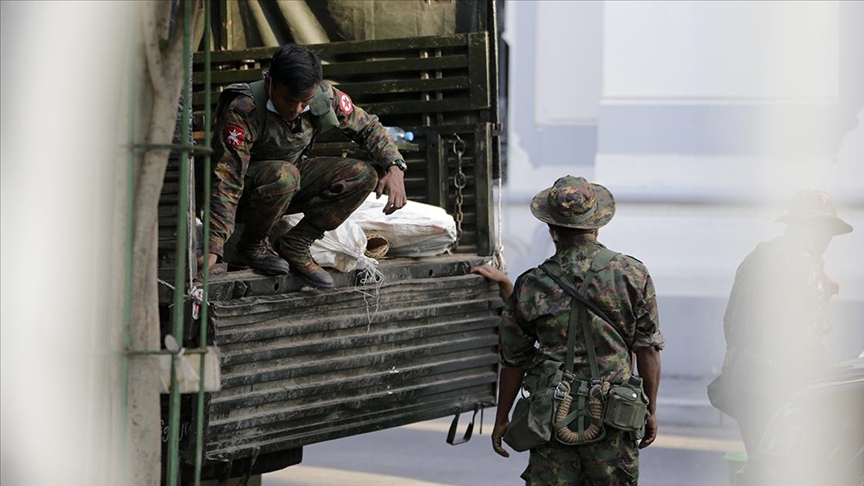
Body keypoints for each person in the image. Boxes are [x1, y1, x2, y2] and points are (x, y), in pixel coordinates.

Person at [488, 175, 665, 485]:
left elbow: (513, 360)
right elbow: (647, 349)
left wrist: (502, 418)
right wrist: (650, 409)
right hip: (615, 418)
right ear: (597, 224)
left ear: (550, 228)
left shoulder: (532, 283)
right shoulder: (632, 274)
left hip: (552, 420)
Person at [204, 43, 409, 287]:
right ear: (270, 83)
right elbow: (227, 179)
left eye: (305, 102)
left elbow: (368, 127)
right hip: (247, 196)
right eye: (289, 100)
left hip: (288, 186)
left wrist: (395, 166)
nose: (297, 109)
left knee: (364, 174)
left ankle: (297, 243)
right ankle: (252, 246)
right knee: (284, 175)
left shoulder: (325, 97)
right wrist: (213, 246)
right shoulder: (244, 109)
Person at [708, 189, 854, 455]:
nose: (827, 238)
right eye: (824, 228)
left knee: (761, 465)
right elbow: (806, 341)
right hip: (782, 389)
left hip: (743, 381)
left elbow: (731, 320)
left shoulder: (758, 257)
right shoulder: (804, 266)